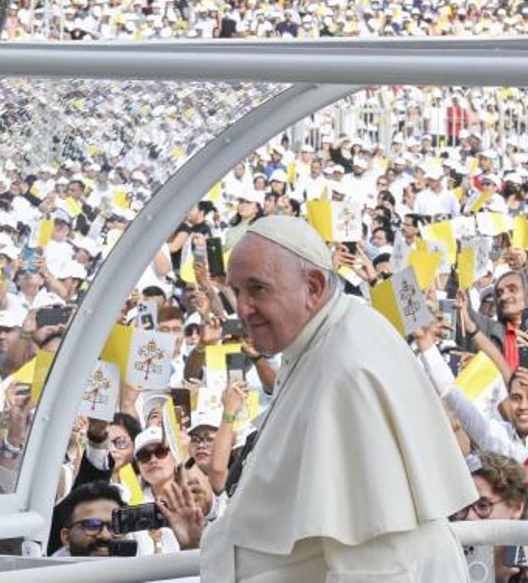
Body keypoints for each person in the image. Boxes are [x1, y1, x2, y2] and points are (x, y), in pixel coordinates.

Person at [202, 215, 476, 582]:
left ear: (313, 287)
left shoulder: (348, 368)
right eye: (237, 291)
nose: (243, 308)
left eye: (258, 289)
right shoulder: (322, 336)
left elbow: (377, 560)